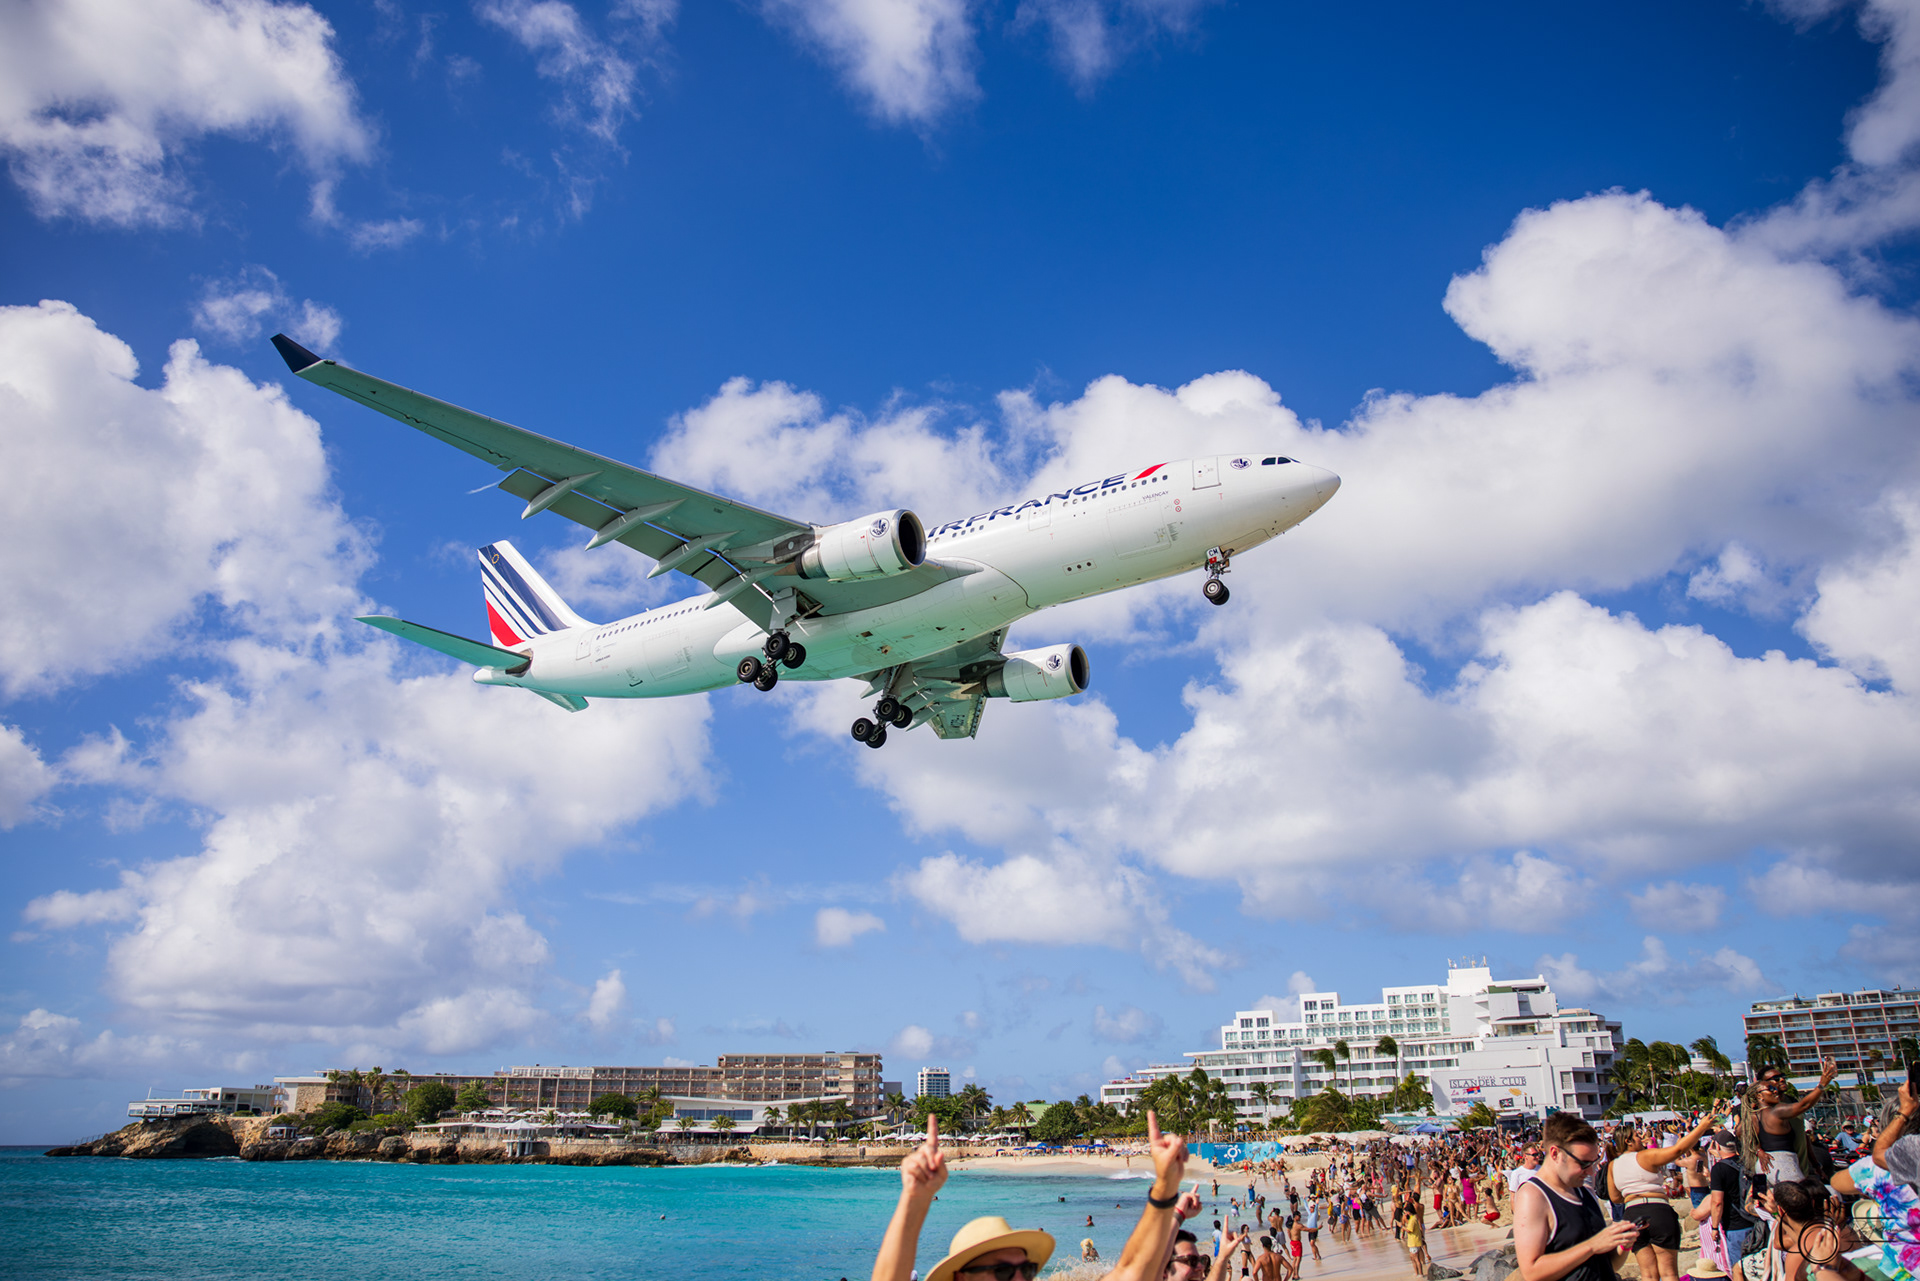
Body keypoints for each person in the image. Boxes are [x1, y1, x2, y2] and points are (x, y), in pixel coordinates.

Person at [1513, 1114, 1640, 1281]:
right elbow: (1531, 1272)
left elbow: (1607, 1265)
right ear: (1555, 1153)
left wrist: (1624, 1244)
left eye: (1593, 1162)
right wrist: (1592, 1245)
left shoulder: (1585, 1192)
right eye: (1583, 1163)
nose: (1591, 1171)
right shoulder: (1533, 1196)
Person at [1610, 1105, 1727, 1281]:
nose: (1641, 1138)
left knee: (1648, 1275)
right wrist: (1702, 1127)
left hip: (1632, 1213)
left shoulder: (1613, 1165)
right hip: (1657, 1210)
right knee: (1669, 1274)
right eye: (1637, 1136)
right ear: (1628, 1141)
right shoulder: (1645, 1156)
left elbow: (1615, 1197)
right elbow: (1677, 1150)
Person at [1743, 1059, 1840, 1187]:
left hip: (1790, 1166)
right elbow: (1804, 1105)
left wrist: (1816, 1165)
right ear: (1760, 1090)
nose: (1781, 1080)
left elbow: (1803, 1136)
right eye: (1774, 1080)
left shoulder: (1785, 1103)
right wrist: (1822, 1084)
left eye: (1782, 1076)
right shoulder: (1775, 1110)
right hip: (1784, 1167)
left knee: (1765, 1198)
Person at [1693, 1131, 1758, 1268]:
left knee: (1739, 1268)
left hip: (1735, 1225)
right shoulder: (1746, 1163)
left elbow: (1717, 1202)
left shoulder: (1719, 1168)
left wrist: (1715, 1227)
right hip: (1754, 1220)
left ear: (1717, 1146)